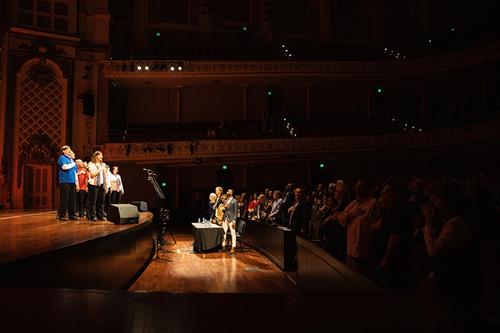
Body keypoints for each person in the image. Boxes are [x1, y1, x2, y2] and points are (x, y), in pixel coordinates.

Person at [57, 146, 79, 221]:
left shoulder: (71, 159)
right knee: (64, 199)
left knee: (72, 199)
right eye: (68, 150)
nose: (70, 151)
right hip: (65, 181)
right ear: (64, 151)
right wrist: (74, 164)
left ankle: (72, 214)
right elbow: (64, 167)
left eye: (70, 150)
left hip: (72, 181)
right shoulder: (62, 157)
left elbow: (75, 173)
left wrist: (76, 183)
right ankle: (62, 215)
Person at [87, 151, 108, 221]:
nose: (102, 157)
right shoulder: (91, 164)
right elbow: (92, 174)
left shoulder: (103, 164)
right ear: (96, 156)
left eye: (102, 155)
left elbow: (105, 176)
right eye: (100, 155)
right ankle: (92, 215)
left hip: (102, 184)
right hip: (94, 185)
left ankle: (100, 215)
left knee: (101, 201)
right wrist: (100, 169)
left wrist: (106, 185)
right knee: (93, 201)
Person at [222, 189, 238, 254]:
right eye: (227, 191)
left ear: (232, 193)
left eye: (229, 191)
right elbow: (225, 209)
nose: (227, 192)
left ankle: (233, 247)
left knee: (233, 233)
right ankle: (223, 246)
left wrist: (234, 221)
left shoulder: (234, 201)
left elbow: (235, 211)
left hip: (231, 219)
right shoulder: (226, 201)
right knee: (224, 232)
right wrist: (223, 209)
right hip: (225, 218)